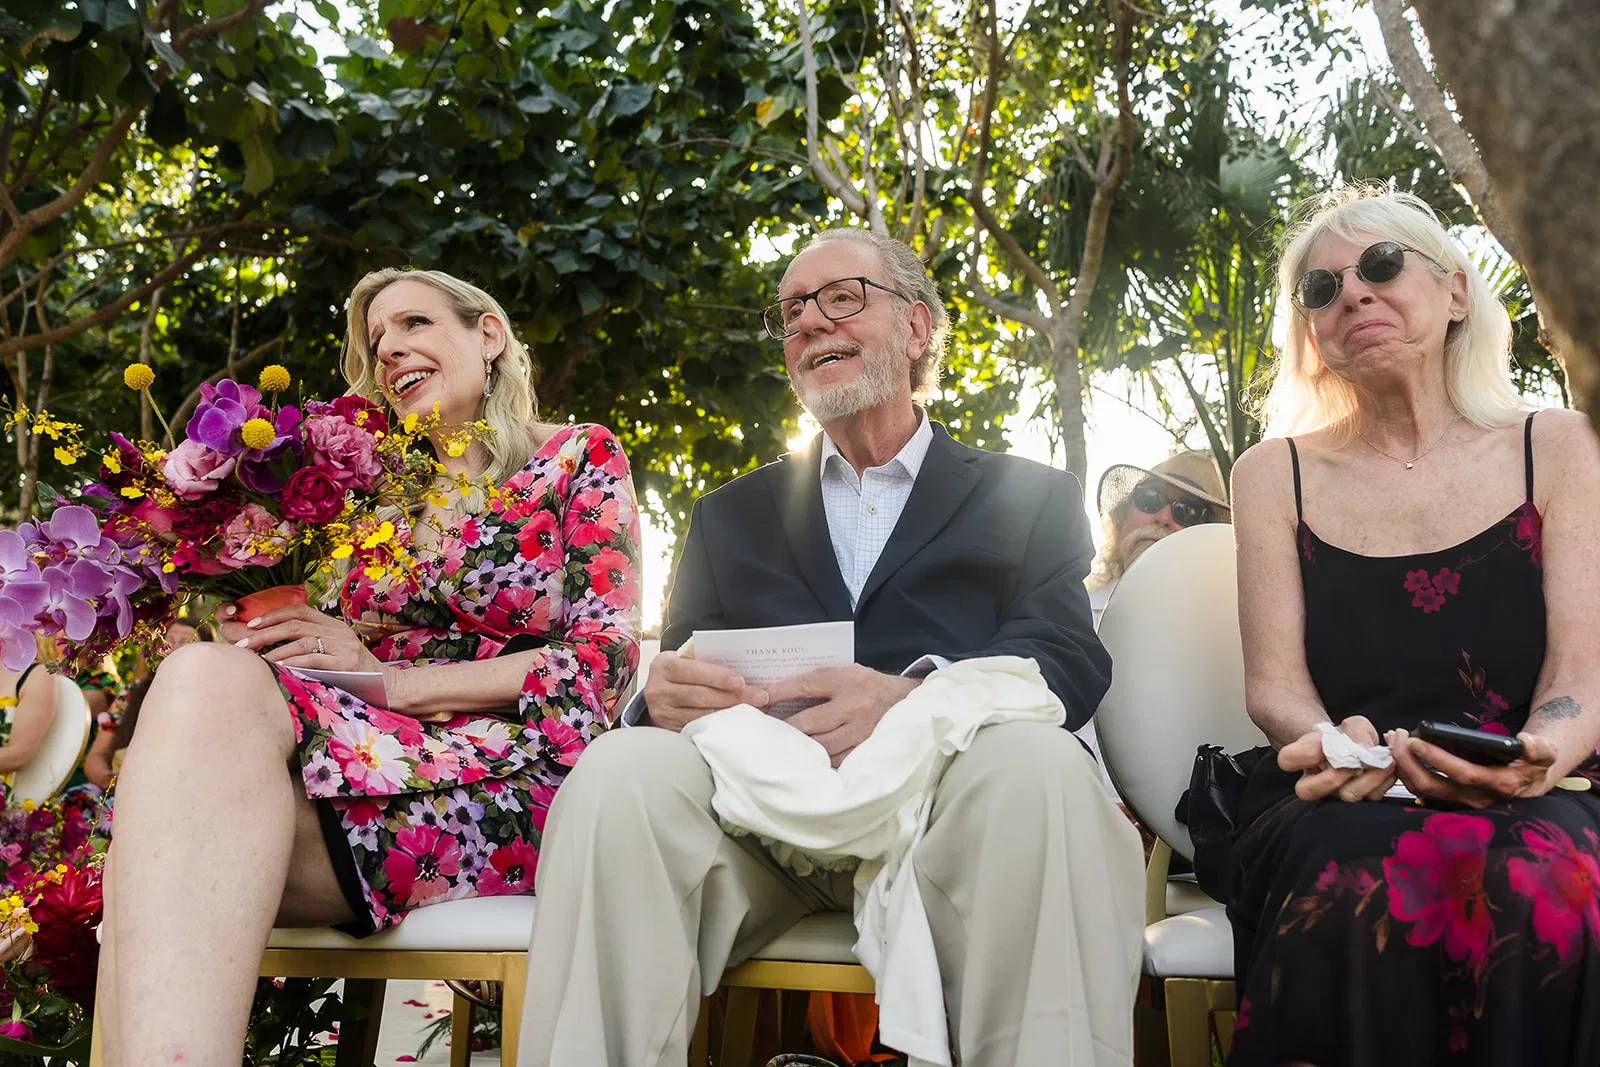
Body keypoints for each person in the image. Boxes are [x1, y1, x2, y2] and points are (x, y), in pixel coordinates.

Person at [517, 228, 1144, 1066]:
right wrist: (655, 698)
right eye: (792, 311)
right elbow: (683, 669)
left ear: (918, 327)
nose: (810, 320)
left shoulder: (1030, 496)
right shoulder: (728, 514)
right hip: (756, 832)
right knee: (617, 774)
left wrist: (911, 695)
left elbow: (1065, 655)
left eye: (841, 297)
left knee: (1042, 765)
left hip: (950, 818)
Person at [96, 268, 641, 1066]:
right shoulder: (371, 495)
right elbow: (336, 649)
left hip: (518, 768)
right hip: (364, 751)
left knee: (162, 842)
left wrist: (397, 683)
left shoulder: (574, 456)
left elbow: (606, 661)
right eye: (377, 342)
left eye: (414, 323)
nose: (390, 351)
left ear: (487, 334)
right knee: (203, 677)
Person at [1223, 187, 1600, 1065]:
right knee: (1344, 877)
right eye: (1321, 289)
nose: (1353, 293)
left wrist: (1539, 754)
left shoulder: (1562, 443)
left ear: (1457, 291)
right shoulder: (1270, 474)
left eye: (1382, 266)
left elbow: (1582, 674)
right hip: (1345, 789)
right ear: (1311, 332)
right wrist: (1330, 742)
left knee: (1551, 878)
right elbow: (1275, 685)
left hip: (1540, 783)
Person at [1087, 451, 1230, 626]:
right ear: (1123, 514)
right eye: (1150, 498)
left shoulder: (1222, 627)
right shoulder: (1074, 611)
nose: (1163, 517)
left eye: (1187, 511)